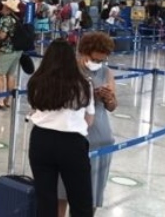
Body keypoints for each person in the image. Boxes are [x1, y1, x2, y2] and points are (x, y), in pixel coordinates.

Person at [28, 39, 95, 217]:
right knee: (80, 200)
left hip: (41, 140)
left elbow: (35, 107)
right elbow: (89, 119)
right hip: (72, 143)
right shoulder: (83, 84)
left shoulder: (37, 81)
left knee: (45, 200)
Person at [57, 32, 115, 216]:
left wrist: (108, 97)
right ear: (83, 52)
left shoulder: (106, 72)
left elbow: (112, 106)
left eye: (102, 60)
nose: (97, 63)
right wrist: (88, 94)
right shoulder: (69, 69)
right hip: (72, 135)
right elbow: (59, 99)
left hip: (100, 137)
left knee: (92, 191)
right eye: (94, 59)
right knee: (61, 190)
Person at [0, 0, 22, 109]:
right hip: (16, 50)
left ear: (7, 8)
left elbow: (2, 35)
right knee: (10, 75)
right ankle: (7, 100)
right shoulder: (16, 19)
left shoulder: (5, 19)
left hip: (6, 50)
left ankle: (0, 101)